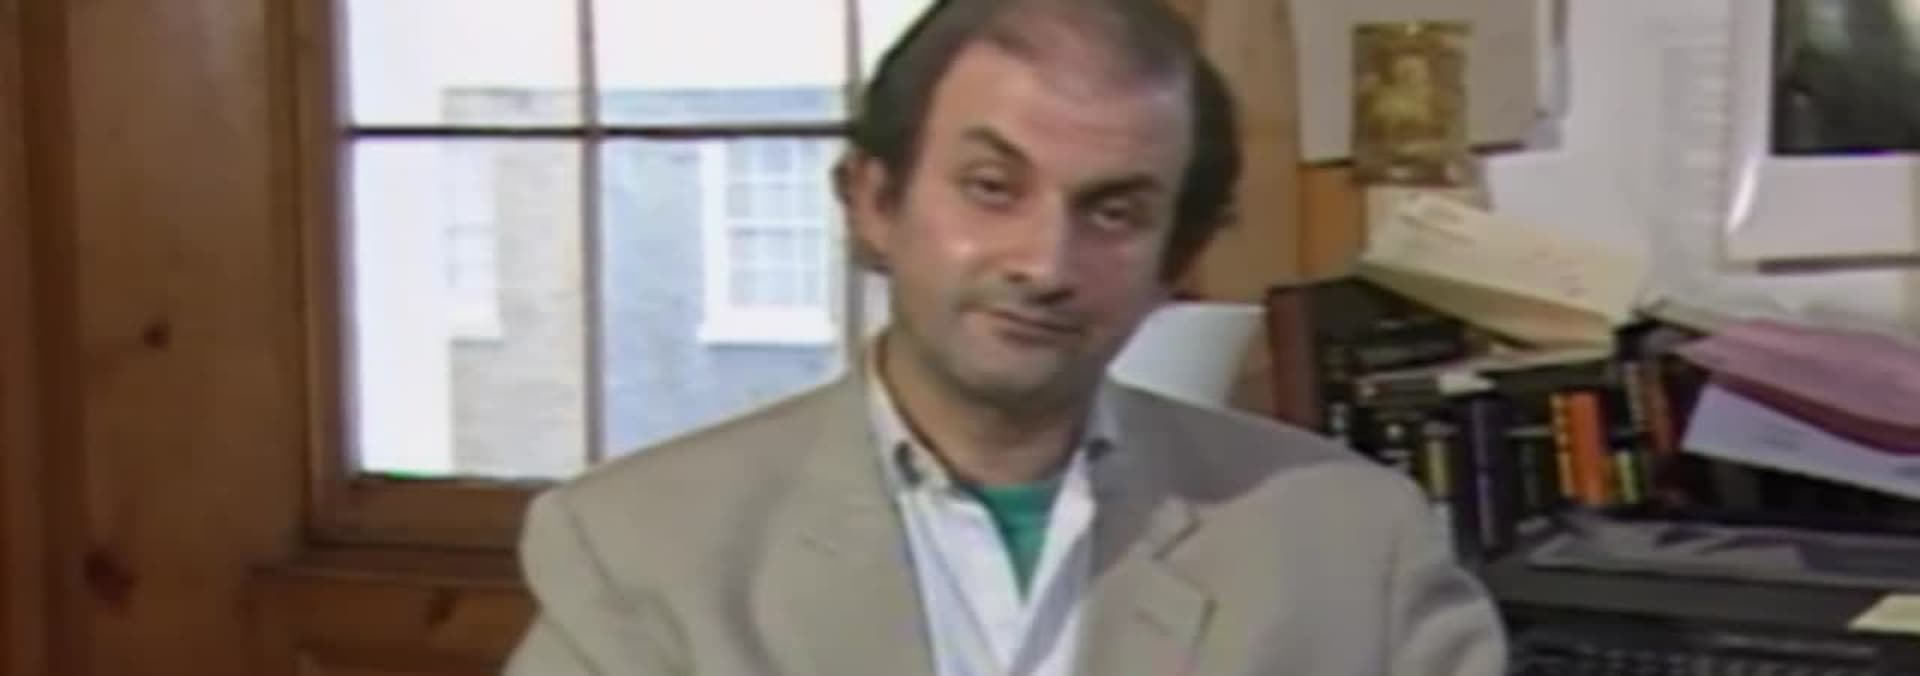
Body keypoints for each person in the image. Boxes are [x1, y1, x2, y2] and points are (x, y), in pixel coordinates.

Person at [504, 1, 1508, 674]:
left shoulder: (1351, 540)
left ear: (1178, 256)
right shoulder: (639, 547)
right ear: (873, 201)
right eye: (992, 188)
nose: (1045, 262)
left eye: (1113, 211)